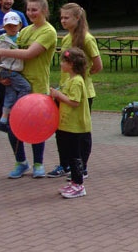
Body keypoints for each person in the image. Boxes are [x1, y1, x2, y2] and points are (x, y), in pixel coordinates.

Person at [0, 0, 57, 179]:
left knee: (36, 126)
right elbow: (12, 55)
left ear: (44, 11)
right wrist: (4, 75)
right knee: (12, 125)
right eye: (28, 10)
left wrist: (1, 51)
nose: (30, 13)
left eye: (34, 10)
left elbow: (29, 54)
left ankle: (38, 163)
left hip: (36, 85)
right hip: (16, 84)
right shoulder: (26, 31)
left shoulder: (48, 32)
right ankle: (21, 162)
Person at [47, 3, 103, 179]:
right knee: (62, 131)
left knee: (80, 132)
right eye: (61, 17)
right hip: (64, 90)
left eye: (66, 17)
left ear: (77, 18)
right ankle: (65, 164)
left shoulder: (87, 39)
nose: (63, 20)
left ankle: (82, 167)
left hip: (81, 92)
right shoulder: (65, 38)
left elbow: (98, 65)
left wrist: (82, 76)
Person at [49, 47, 92, 199]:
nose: (61, 64)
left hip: (77, 128)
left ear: (72, 64)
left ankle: (79, 185)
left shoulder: (77, 82)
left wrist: (58, 95)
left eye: (64, 61)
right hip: (67, 126)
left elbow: (74, 102)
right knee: (70, 155)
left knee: (76, 157)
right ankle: (74, 181)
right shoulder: (69, 80)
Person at [0, 12, 32, 132]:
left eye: (14, 25)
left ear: (19, 25)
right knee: (26, 88)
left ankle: (4, 120)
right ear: (4, 27)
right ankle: (16, 111)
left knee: (10, 94)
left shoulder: (22, 38)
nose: (12, 28)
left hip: (16, 71)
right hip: (8, 70)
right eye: (9, 26)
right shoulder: (1, 41)